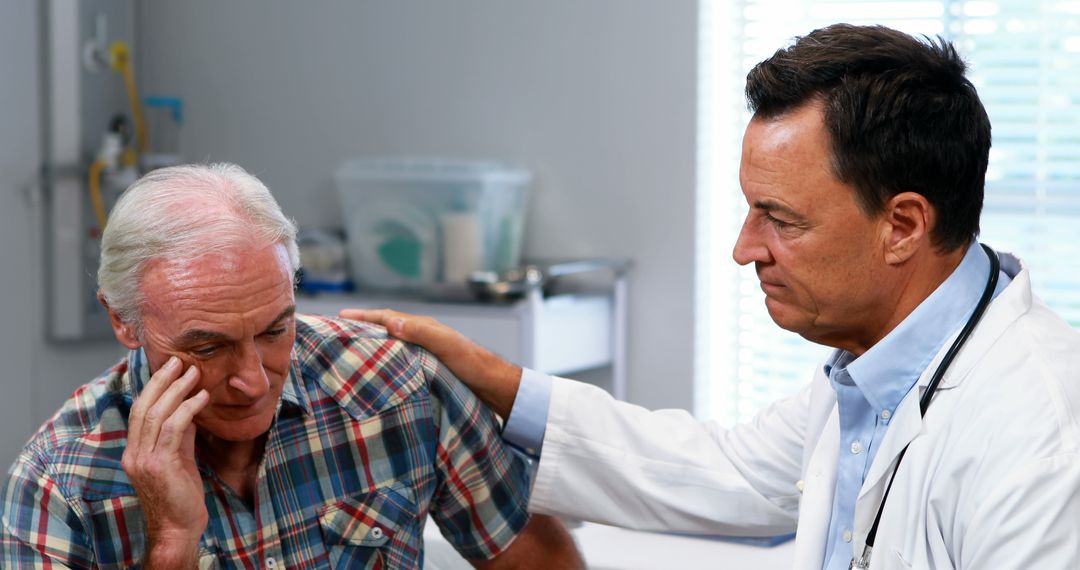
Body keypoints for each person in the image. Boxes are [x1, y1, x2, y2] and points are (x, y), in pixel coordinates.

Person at [342, 24, 1080, 569]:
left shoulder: (1038, 433)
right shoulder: (871, 372)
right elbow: (725, 474)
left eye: (780, 219)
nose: (743, 248)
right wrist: (493, 376)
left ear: (904, 225)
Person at [0, 164, 582, 569]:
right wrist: (174, 543)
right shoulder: (58, 484)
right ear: (124, 321)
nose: (252, 380)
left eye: (276, 329)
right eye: (207, 347)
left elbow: (537, 561)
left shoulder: (399, 386)